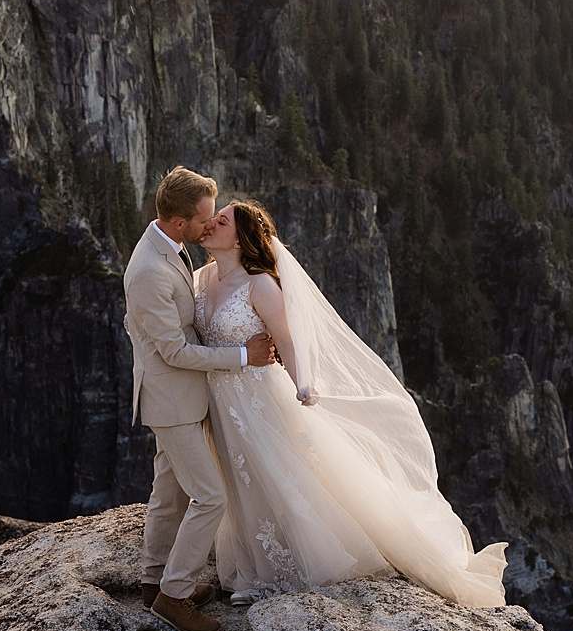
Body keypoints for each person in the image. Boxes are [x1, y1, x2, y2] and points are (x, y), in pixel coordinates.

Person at [191, 197, 507, 608]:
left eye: (222, 220)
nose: (211, 224)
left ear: (241, 238)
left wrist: (303, 383)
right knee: (239, 479)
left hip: (258, 397)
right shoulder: (200, 279)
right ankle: (252, 558)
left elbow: (286, 340)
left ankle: (285, 564)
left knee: (279, 474)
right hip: (218, 399)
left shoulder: (260, 285)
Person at [123, 167, 275, 631]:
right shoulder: (150, 270)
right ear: (178, 221)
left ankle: (153, 582)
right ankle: (174, 595)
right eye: (203, 219)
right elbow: (173, 350)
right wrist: (243, 356)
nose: (209, 226)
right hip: (171, 399)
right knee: (210, 497)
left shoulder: (169, 247)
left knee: (168, 493)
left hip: (182, 396)